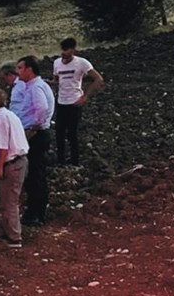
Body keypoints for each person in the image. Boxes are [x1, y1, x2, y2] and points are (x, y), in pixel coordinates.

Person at [0, 89, 30, 248]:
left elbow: (3, 147)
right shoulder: (8, 115)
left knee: (10, 201)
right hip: (18, 161)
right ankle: (8, 230)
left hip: (11, 163)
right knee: (7, 199)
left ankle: (14, 238)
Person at [10, 56, 53, 225]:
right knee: (33, 174)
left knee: (36, 174)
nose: (18, 71)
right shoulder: (32, 86)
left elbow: (42, 108)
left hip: (36, 134)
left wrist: (34, 128)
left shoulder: (36, 87)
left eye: (20, 68)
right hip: (33, 132)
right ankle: (33, 210)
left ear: (29, 69)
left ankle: (37, 213)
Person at [52, 37, 104, 166]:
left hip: (74, 103)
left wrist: (85, 96)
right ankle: (61, 161)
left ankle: (75, 161)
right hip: (61, 102)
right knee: (59, 133)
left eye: (66, 49)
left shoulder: (82, 63)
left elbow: (98, 79)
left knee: (72, 133)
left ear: (73, 50)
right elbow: (56, 81)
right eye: (62, 49)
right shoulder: (57, 63)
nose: (63, 52)